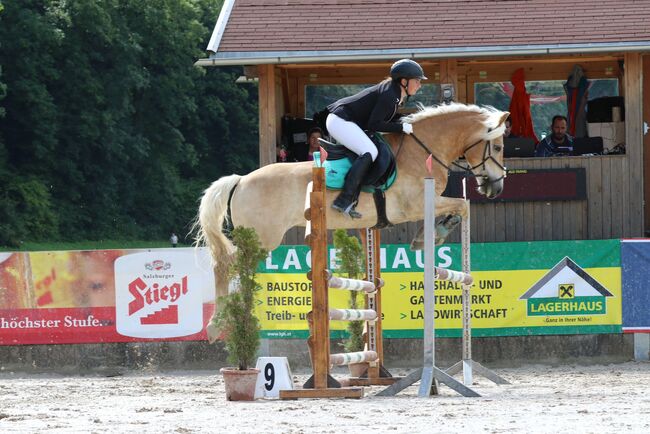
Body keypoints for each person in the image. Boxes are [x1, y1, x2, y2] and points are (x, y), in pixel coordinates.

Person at [325, 59, 426, 218]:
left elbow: (385, 119)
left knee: (370, 149)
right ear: (404, 81)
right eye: (417, 80)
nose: (420, 84)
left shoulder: (394, 94)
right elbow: (374, 124)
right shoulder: (389, 95)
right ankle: (343, 200)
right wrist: (400, 127)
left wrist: (405, 121)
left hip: (346, 120)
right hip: (340, 121)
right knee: (369, 151)